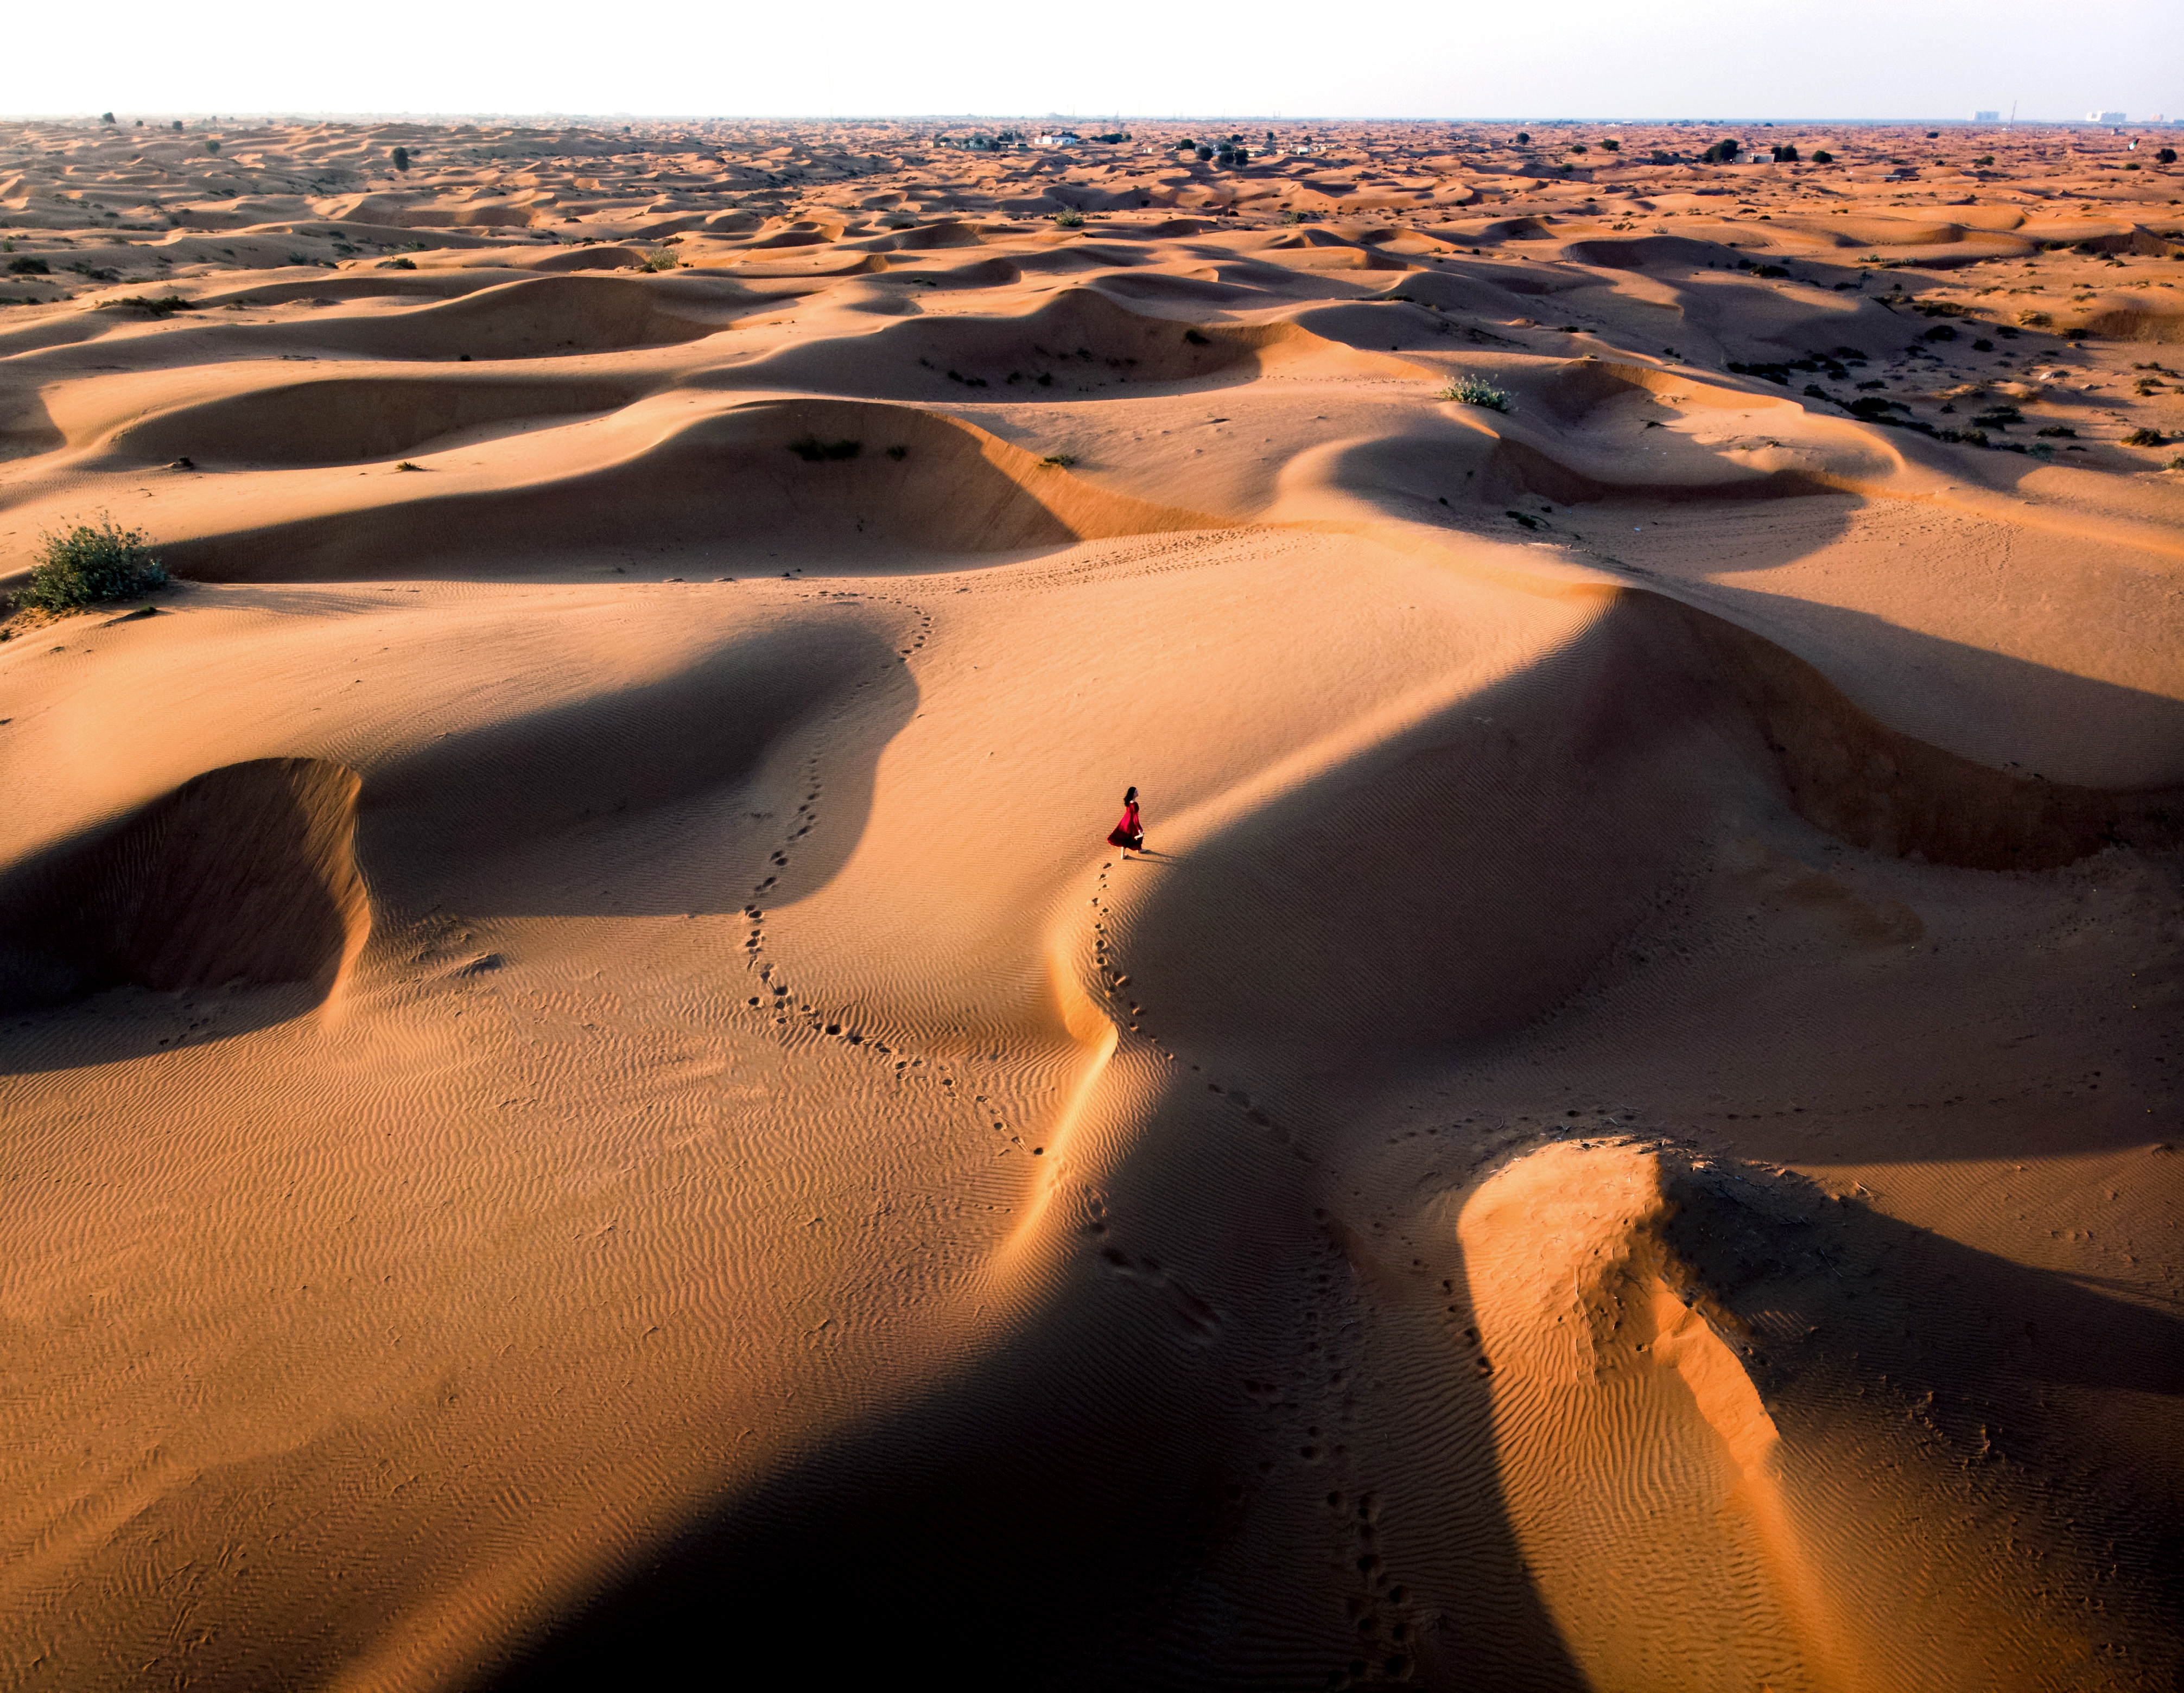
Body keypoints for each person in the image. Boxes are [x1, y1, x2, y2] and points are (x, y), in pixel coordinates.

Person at [1107, 786, 1145, 857]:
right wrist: (1139, 828)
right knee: (1139, 834)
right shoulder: (1135, 804)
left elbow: (1128, 812)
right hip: (1131, 822)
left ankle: (1123, 855)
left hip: (1125, 821)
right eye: (1136, 792)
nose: (1137, 793)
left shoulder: (1128, 801)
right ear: (1133, 794)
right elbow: (1135, 818)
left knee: (1125, 837)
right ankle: (1139, 850)